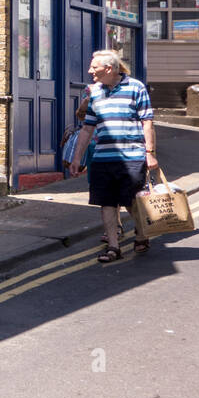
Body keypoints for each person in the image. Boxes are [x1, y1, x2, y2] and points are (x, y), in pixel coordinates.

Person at [68, 50, 155, 262]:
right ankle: (114, 247)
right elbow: (88, 128)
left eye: (93, 67)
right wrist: (77, 158)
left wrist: (150, 153)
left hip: (132, 156)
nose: (90, 71)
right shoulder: (95, 92)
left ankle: (142, 233)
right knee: (106, 202)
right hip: (102, 158)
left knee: (132, 200)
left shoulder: (136, 87)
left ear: (108, 69)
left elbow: (147, 121)